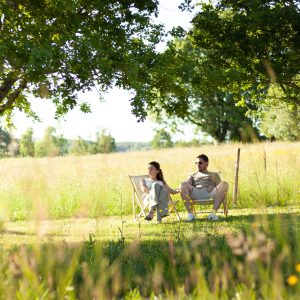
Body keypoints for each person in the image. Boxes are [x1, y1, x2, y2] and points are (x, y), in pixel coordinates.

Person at [179, 154, 229, 221]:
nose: (197, 165)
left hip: (210, 193)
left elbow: (222, 190)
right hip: (196, 193)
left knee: (225, 184)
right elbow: (185, 186)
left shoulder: (214, 175)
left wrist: (225, 205)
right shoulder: (192, 175)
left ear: (207, 164)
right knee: (182, 184)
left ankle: (213, 214)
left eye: (200, 163)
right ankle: (190, 215)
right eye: (196, 163)